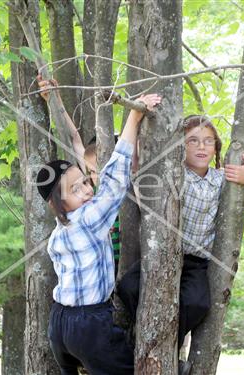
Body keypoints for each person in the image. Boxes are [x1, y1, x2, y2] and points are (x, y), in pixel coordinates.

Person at [116, 115, 244, 372]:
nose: (201, 147)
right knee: (129, 287)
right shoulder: (174, 174)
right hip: (162, 254)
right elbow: (143, 190)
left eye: (208, 142)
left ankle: (169, 352)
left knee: (197, 303)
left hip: (196, 261)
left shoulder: (221, 180)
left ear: (216, 148)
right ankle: (138, 340)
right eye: (193, 141)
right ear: (180, 146)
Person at [36, 91, 161, 375]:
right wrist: (134, 115)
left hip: (58, 325)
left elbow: (75, 145)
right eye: (76, 189)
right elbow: (116, 177)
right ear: (58, 203)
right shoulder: (90, 219)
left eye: (85, 182)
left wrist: (55, 100)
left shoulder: (59, 233)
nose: (87, 190)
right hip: (88, 326)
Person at [37, 77, 125, 276]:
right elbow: (73, 138)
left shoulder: (126, 188)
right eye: (93, 171)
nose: (98, 176)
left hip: (125, 267)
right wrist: (55, 99)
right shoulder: (88, 191)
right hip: (98, 271)